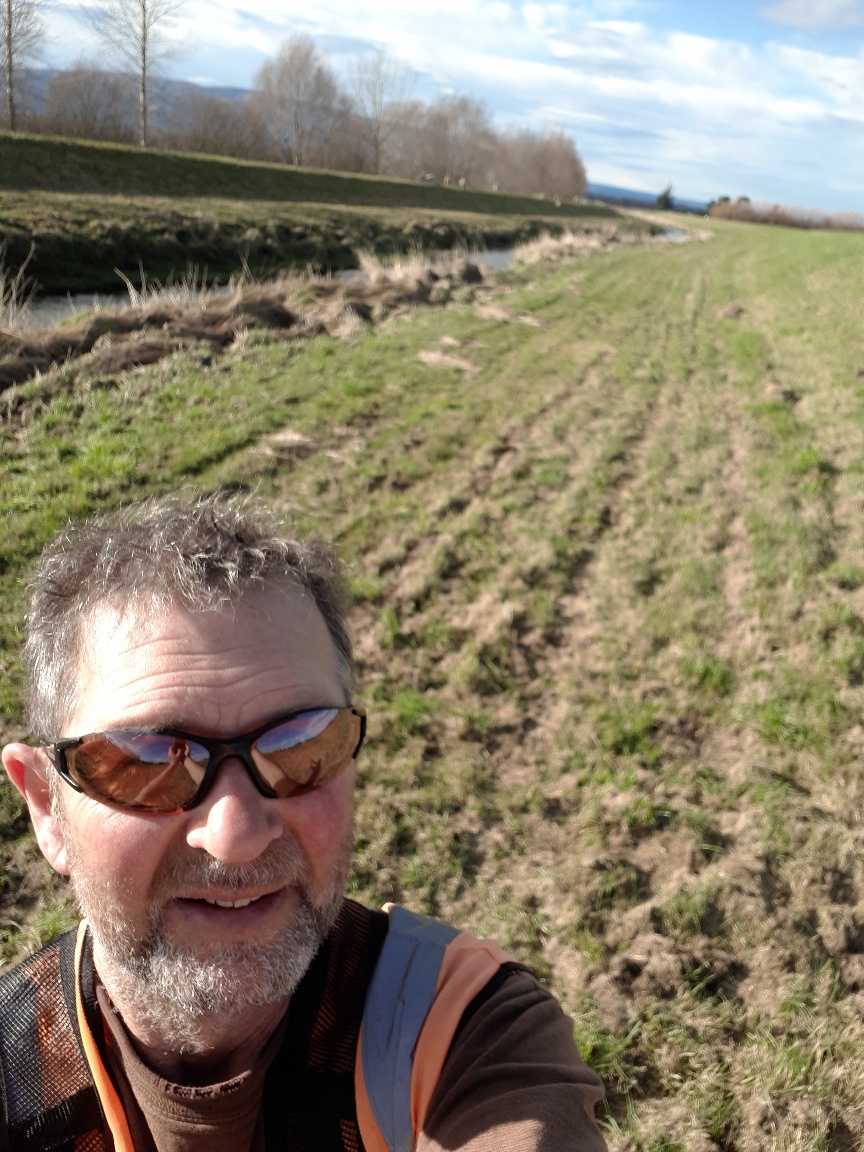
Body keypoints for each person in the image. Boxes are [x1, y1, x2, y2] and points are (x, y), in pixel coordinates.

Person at [0, 492, 608, 1152]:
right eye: (149, 760)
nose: (235, 837)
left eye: (298, 744)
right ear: (45, 806)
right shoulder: (16, 1076)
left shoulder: (459, 1032)